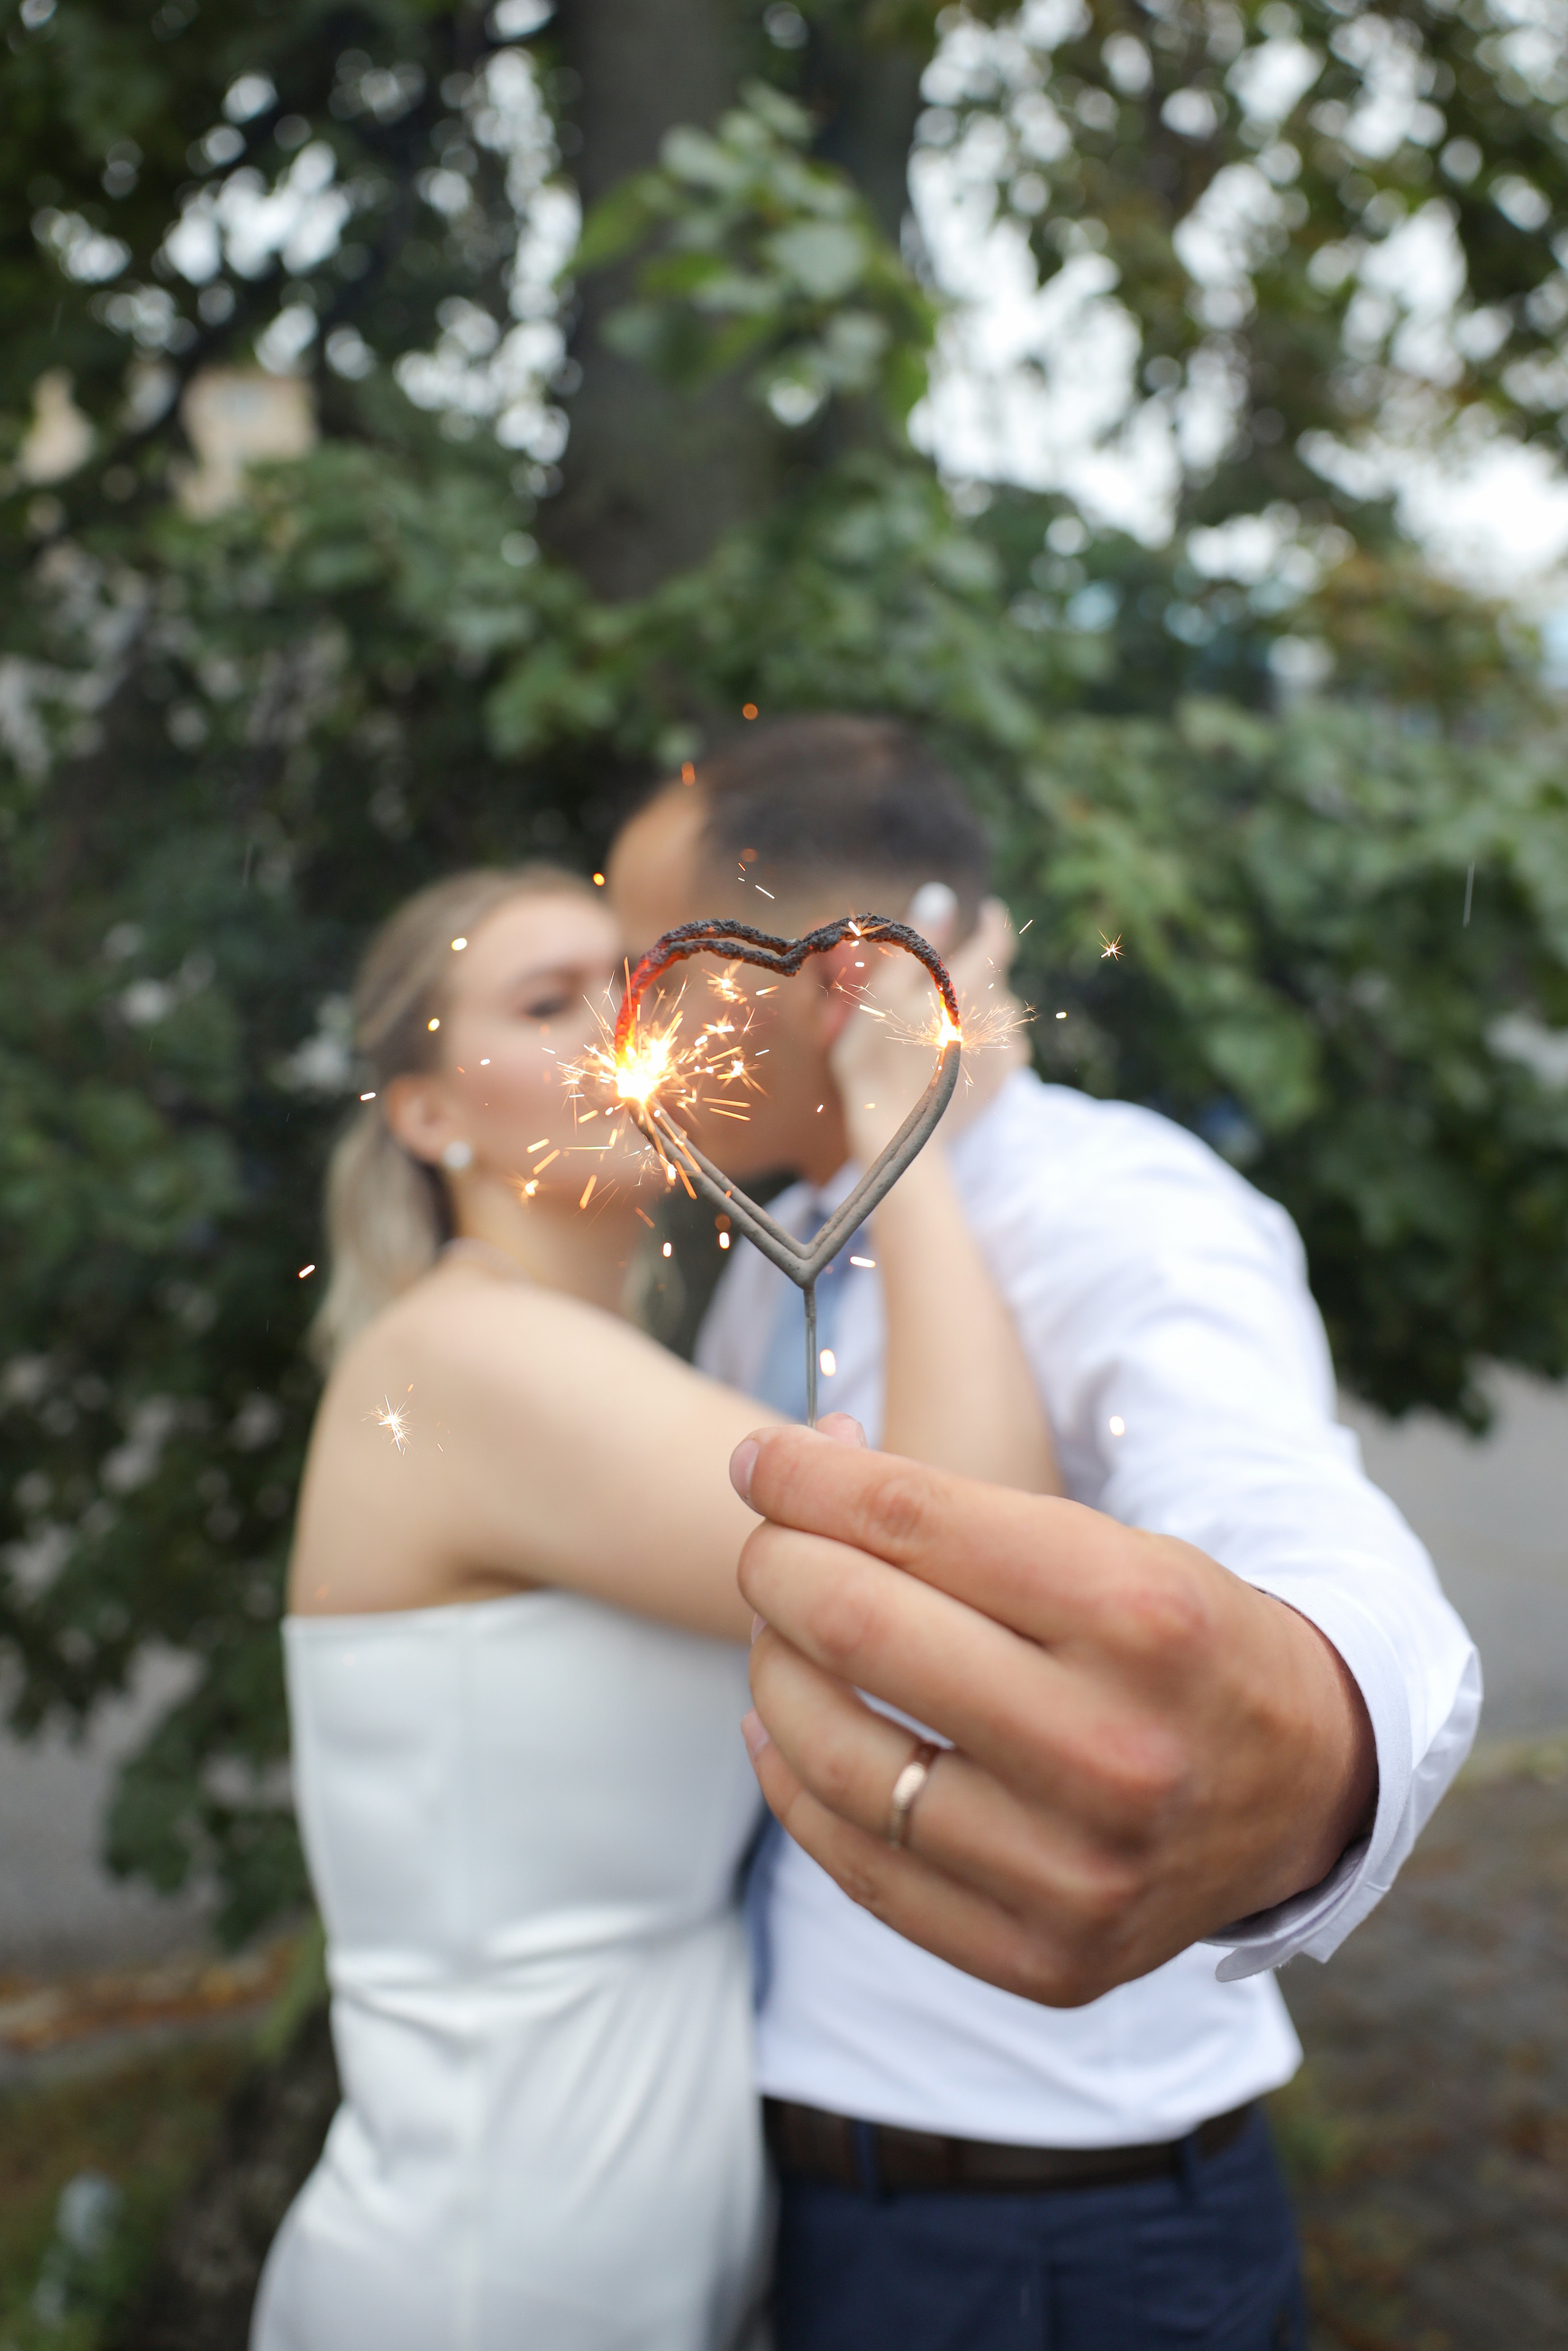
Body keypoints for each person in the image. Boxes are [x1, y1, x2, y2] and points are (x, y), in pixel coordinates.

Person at [608, 712, 1482, 2351]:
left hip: (1071, 2231)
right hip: (818, 2189)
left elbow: (1295, 1527)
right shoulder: (773, 1247)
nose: (626, 1016)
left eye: (656, 961)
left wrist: (1319, 1741)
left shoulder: (1120, 1206)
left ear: (836, 976)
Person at [251, 860, 1053, 2351]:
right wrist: (904, 1109)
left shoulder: (636, 1369)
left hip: (633, 2257)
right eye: (545, 999)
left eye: (636, 982)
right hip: (484, 2277)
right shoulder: (464, 1363)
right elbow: (971, 1577)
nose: (620, 1019)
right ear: (424, 1114)